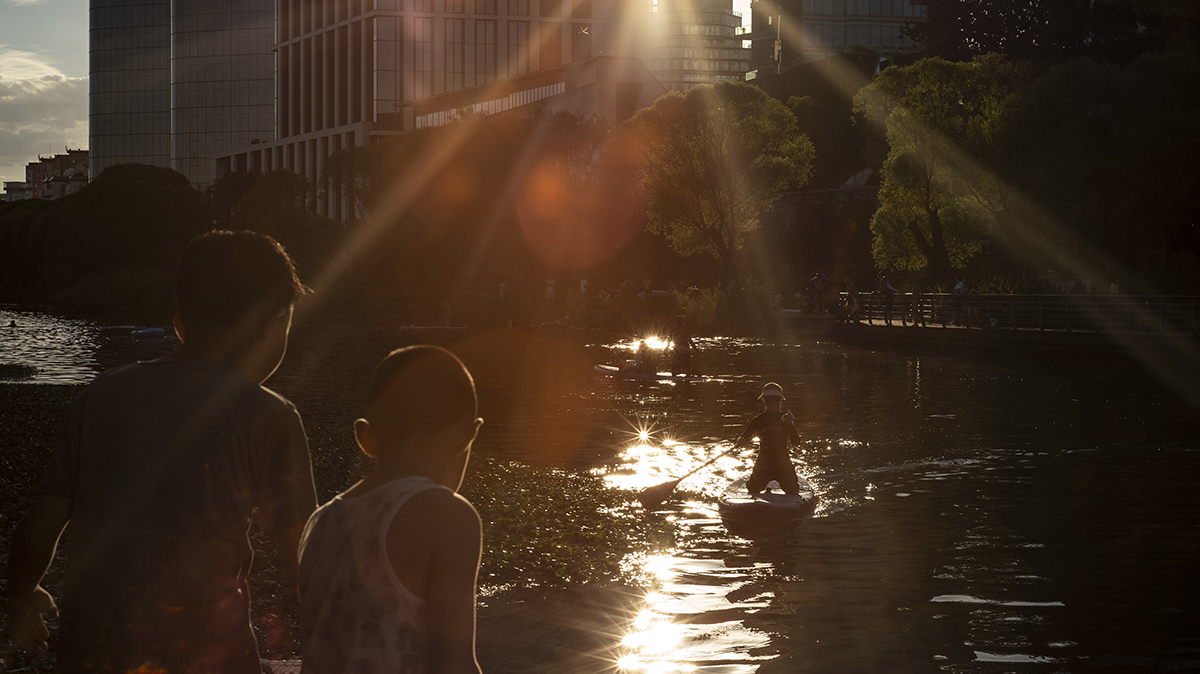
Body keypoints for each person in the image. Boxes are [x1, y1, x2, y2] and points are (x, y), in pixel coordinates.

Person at [5, 231, 317, 671]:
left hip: (95, 654)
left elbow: (38, 526)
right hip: (207, 655)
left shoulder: (102, 395)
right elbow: (302, 556)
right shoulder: (270, 416)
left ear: (179, 325)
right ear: (271, 322)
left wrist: (21, 597)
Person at [298, 345, 484, 674]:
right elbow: (454, 663)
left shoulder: (321, 520)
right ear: (465, 435)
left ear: (365, 438)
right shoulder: (449, 517)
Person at [735, 383, 803, 495]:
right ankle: (751, 482)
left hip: (783, 463)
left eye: (775, 400)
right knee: (753, 489)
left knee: (793, 490)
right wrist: (741, 441)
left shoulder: (786, 420)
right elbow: (745, 436)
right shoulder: (758, 420)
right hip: (764, 463)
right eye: (768, 400)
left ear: (780, 401)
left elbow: (796, 442)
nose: (771, 403)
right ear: (764, 401)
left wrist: (790, 425)